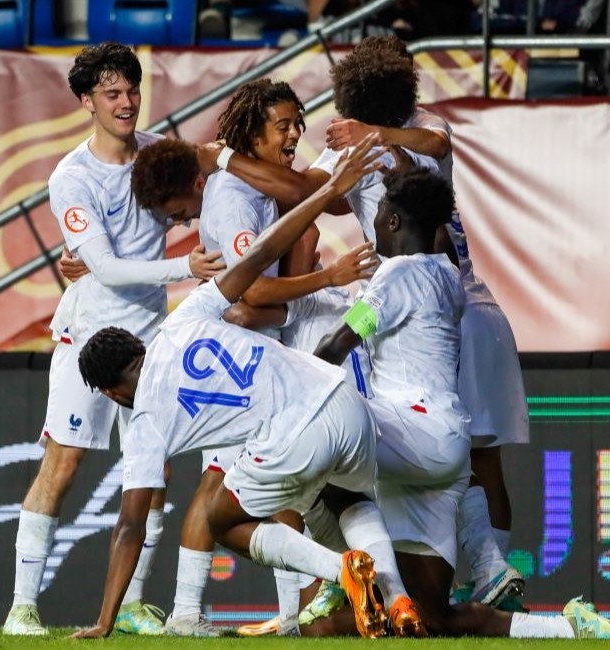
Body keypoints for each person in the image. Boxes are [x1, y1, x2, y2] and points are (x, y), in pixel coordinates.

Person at [70, 134, 426, 640]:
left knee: (221, 517)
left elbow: (130, 526)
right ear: (137, 346)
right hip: (343, 398)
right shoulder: (184, 317)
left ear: (109, 391)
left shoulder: (145, 421)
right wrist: (324, 196)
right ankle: (398, 601)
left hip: (296, 433)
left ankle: (340, 573)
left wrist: (105, 621)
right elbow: (260, 255)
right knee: (344, 501)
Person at [310, 166, 610, 640]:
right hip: (446, 456)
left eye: (379, 213)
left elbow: (333, 348)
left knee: (315, 450)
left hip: (407, 431)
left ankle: (335, 574)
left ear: (396, 222)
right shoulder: (448, 275)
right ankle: (569, 628)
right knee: (434, 618)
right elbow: (439, 236)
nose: (374, 221)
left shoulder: (394, 277)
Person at [2, 42, 225, 637]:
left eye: (131, 91)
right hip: (88, 337)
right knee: (64, 462)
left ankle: (132, 603)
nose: (126, 103)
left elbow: (212, 181)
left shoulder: (158, 154)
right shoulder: (72, 178)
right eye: (111, 94)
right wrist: (186, 269)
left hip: (148, 338)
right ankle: (22, 606)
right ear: (86, 102)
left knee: (153, 471)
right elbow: (103, 267)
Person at [323, 34, 529, 611]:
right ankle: (485, 574)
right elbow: (316, 192)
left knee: (353, 454)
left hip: (445, 319)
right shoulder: (357, 137)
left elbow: (434, 141)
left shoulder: (418, 130)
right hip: (459, 306)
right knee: (471, 456)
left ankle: (362, 581)